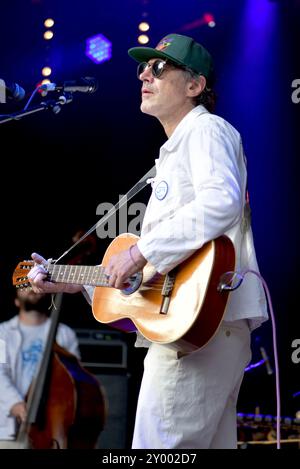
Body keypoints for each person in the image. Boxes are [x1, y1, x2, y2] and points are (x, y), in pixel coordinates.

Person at [27, 33, 268, 449]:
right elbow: (146, 281)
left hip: (196, 336)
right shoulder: (173, 153)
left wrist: (140, 251)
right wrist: (75, 282)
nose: (144, 73)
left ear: (195, 86)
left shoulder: (205, 129)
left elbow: (221, 200)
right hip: (204, 332)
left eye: (159, 67)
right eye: (143, 67)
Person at [0, 288, 80, 441]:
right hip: (8, 428)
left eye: (35, 285)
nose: (31, 288)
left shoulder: (65, 334)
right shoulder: (2, 333)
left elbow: (72, 381)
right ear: (16, 300)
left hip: (52, 425)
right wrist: (15, 402)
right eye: (24, 286)